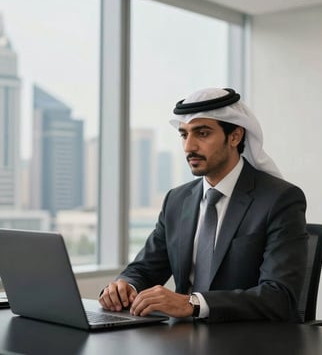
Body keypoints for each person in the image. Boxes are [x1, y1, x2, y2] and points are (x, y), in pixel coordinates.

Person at [99, 87, 307, 323]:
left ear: (235, 136)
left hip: (248, 340)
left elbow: (278, 297)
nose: (189, 147)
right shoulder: (176, 201)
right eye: (184, 135)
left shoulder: (279, 199)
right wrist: (126, 285)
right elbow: (145, 268)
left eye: (203, 133)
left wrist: (193, 304)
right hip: (182, 339)